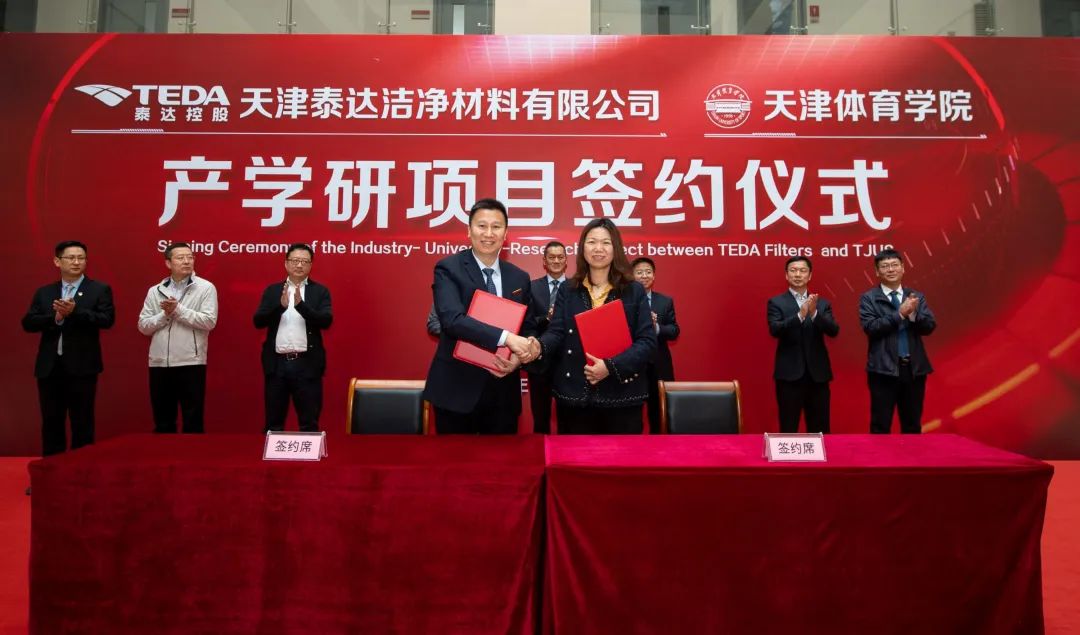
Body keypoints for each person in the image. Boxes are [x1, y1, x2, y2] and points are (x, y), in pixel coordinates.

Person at [422, 198, 540, 434]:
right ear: (469, 230)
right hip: (456, 390)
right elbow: (452, 320)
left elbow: (528, 327)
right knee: (454, 458)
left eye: (496, 227)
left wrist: (523, 354)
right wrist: (507, 338)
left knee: (502, 458)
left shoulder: (519, 277)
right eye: (481, 226)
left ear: (505, 234)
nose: (488, 233)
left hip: (503, 394)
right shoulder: (448, 268)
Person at [535, 218, 656, 434]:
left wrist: (610, 367)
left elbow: (647, 342)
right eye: (592, 242)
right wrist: (537, 346)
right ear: (582, 248)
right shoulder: (568, 289)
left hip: (622, 397)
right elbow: (557, 332)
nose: (598, 248)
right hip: (574, 399)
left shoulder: (633, 290)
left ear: (615, 248)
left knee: (621, 456)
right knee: (573, 456)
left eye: (605, 242)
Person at [21, 240, 115, 457]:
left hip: (83, 368)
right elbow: (28, 323)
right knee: (51, 422)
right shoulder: (45, 292)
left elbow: (107, 319)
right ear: (57, 261)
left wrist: (75, 312)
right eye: (71, 258)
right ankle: (50, 471)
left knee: (82, 422)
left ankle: (81, 471)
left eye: (81, 258)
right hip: (49, 368)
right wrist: (55, 317)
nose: (76, 262)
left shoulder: (99, 289)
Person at [137, 242, 218, 433]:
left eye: (190, 257)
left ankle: (193, 452)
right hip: (159, 363)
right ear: (168, 263)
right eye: (180, 258)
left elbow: (209, 321)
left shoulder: (205, 288)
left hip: (191, 362)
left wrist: (178, 310)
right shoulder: (155, 290)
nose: (187, 261)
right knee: (163, 422)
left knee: (192, 421)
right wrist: (164, 315)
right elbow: (143, 326)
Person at [253, 243, 332, 432]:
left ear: (311, 265)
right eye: (295, 260)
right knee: (273, 424)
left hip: (307, 365)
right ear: (286, 263)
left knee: (309, 424)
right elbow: (258, 321)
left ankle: (309, 452)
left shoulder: (320, 291)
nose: (299, 265)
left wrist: (301, 306)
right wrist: (280, 307)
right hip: (277, 365)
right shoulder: (273, 291)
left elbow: (326, 321)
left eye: (305, 261)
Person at [859, 248, 937, 434]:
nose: (891, 269)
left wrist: (913, 315)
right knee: (880, 425)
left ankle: (912, 454)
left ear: (903, 268)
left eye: (894, 265)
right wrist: (900, 314)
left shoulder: (915, 297)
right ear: (877, 272)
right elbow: (871, 327)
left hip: (913, 369)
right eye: (885, 266)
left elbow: (929, 327)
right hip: (882, 369)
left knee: (912, 424)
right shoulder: (869, 298)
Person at [766, 256, 839, 434]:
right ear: (786, 275)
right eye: (793, 270)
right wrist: (800, 315)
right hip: (789, 375)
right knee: (788, 426)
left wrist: (814, 314)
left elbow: (833, 330)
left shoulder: (822, 304)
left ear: (810, 275)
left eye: (802, 270)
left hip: (818, 375)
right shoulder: (776, 302)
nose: (797, 274)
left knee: (820, 428)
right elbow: (775, 330)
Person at [630, 257, 680, 434]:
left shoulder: (664, 301)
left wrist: (656, 327)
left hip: (659, 365)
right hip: (634, 365)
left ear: (654, 276)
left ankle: (660, 445)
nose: (644, 276)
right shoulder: (624, 301)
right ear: (632, 276)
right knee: (632, 414)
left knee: (659, 413)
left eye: (648, 272)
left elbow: (674, 330)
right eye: (639, 272)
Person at [527, 241, 568, 434]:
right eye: (552, 257)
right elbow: (526, 322)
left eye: (560, 257)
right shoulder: (532, 287)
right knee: (540, 418)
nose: (556, 261)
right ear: (544, 261)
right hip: (539, 361)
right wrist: (547, 319)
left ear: (566, 260)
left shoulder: (576, 288)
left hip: (568, 362)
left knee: (568, 419)